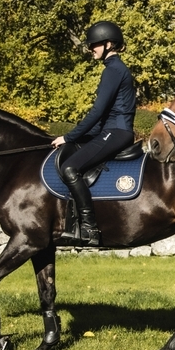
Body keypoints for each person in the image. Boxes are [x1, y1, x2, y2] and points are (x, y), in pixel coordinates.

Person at [51, 20, 137, 246]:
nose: (91, 50)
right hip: (111, 129)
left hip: (117, 131)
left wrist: (69, 137)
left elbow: (98, 112)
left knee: (70, 168)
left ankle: (89, 228)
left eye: (95, 45)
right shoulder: (115, 69)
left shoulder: (113, 70)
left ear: (109, 44)